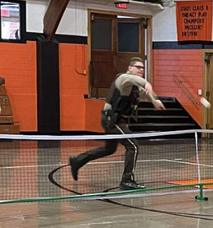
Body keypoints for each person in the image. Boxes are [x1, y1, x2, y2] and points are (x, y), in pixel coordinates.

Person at [69, 58, 164, 191]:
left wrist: (154, 101)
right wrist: (147, 83)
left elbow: (145, 93)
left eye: (143, 68)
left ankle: (77, 161)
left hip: (116, 119)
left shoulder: (134, 86)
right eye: (138, 67)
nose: (141, 70)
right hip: (112, 119)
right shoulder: (124, 78)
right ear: (130, 68)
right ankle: (127, 180)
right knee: (133, 146)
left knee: (109, 149)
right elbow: (141, 83)